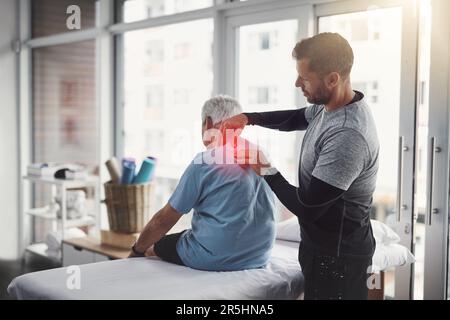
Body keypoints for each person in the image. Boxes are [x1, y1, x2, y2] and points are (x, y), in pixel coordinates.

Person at [221, 33, 379, 299]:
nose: (297, 83)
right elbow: (296, 118)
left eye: (304, 78)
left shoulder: (348, 135)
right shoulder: (330, 105)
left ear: (332, 79)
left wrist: (264, 167)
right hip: (321, 248)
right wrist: (249, 118)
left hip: (338, 259)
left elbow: (308, 208)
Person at [129, 95, 277, 272]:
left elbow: (163, 220)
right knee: (178, 238)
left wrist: (136, 250)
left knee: (152, 246)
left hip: (215, 257)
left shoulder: (204, 162)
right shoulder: (263, 155)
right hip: (259, 255)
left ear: (207, 123)